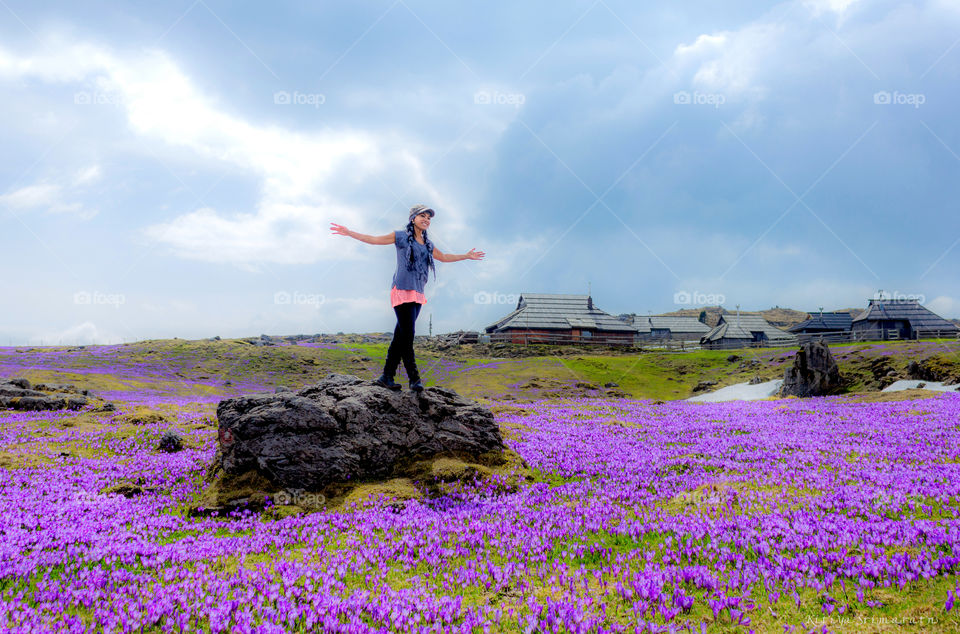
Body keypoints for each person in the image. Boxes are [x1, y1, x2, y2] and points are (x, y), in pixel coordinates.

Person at [330, 204, 485, 392]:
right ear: (413, 218)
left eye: (429, 217)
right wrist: (350, 232)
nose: (426, 219)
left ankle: (386, 376)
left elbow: (443, 257)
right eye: (422, 215)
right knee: (408, 336)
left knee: (399, 337)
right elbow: (374, 240)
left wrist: (466, 256)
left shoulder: (428, 244)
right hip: (402, 290)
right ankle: (414, 379)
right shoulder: (401, 236)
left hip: (418, 293)